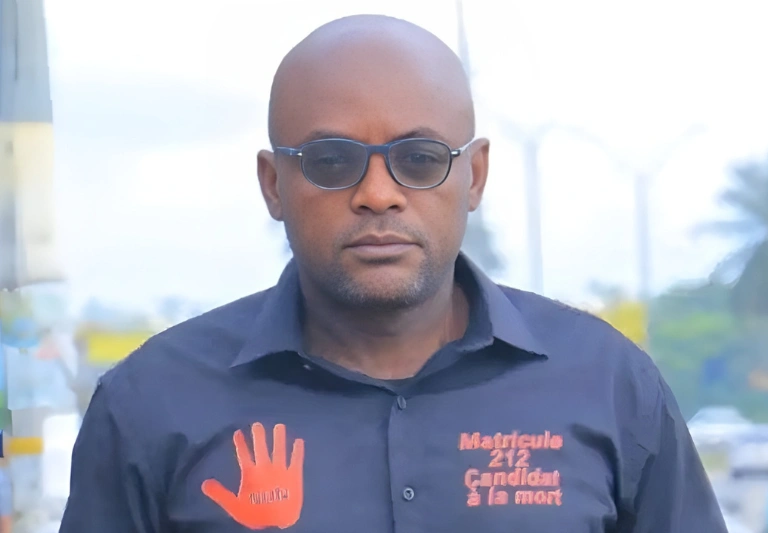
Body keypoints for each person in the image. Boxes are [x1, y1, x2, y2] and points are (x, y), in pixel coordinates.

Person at [60, 14, 727, 533]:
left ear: (475, 176)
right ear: (273, 184)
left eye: (420, 158)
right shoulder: (151, 405)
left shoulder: (609, 386)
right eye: (331, 160)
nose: (378, 193)